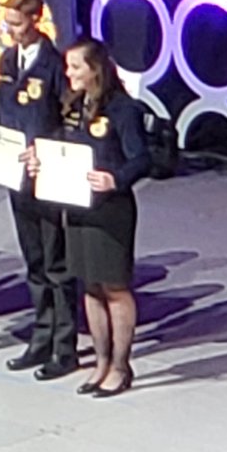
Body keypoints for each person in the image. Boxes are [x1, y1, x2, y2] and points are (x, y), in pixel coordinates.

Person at [26, 38, 150, 397]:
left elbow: (141, 159)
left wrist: (116, 179)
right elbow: (59, 145)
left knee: (114, 287)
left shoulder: (123, 108)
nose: (69, 73)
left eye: (76, 67)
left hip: (110, 212)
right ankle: (101, 361)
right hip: (77, 206)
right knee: (91, 287)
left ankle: (121, 366)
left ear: (95, 69)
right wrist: (40, 160)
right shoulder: (73, 105)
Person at [0, 0, 77, 380]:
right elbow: (4, 112)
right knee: (34, 261)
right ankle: (41, 337)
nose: (9, 30)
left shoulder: (54, 64)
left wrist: (45, 148)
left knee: (56, 262)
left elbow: (68, 119)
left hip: (48, 173)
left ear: (36, 21)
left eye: (16, 24)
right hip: (16, 174)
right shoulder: (7, 61)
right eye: (7, 23)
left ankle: (65, 346)